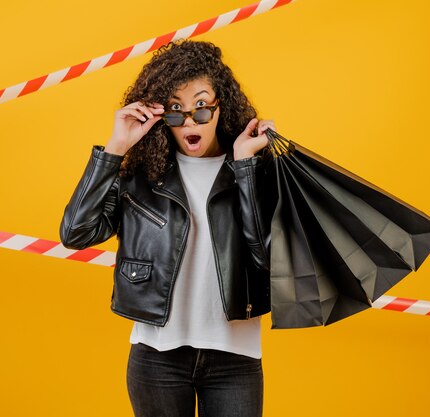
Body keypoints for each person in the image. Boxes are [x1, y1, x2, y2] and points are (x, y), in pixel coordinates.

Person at [59, 39, 276, 417]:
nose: (189, 121)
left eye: (201, 108)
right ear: (161, 115)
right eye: (176, 110)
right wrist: (115, 148)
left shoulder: (251, 167)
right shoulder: (140, 177)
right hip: (157, 357)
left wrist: (245, 167)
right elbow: (76, 232)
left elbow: (266, 255)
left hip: (234, 359)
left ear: (220, 106)